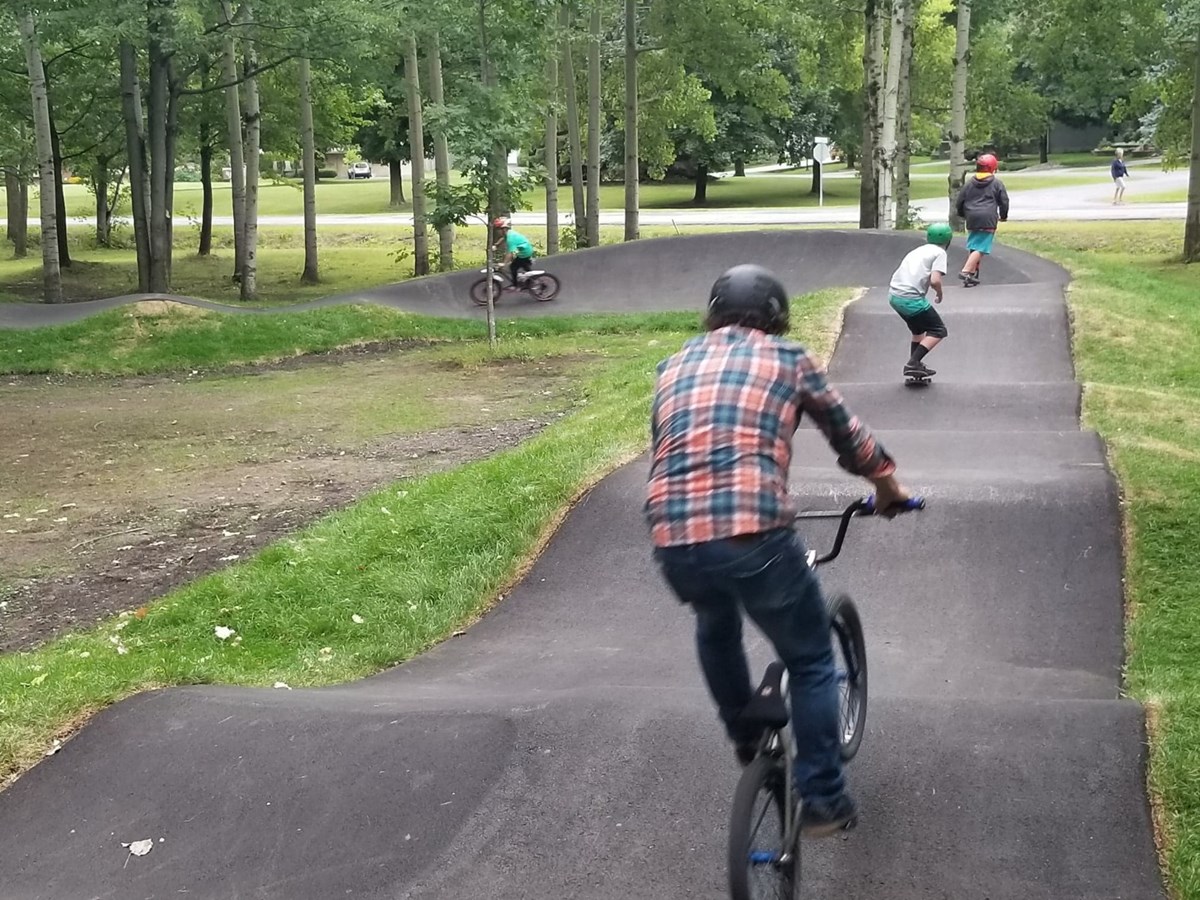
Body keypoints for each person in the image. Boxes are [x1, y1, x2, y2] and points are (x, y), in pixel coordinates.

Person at [645, 264, 911, 837]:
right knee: (812, 659)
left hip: (672, 534)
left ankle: (745, 736)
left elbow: (667, 444)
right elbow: (850, 437)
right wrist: (888, 488)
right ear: (776, 317)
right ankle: (823, 799)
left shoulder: (672, 366)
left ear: (712, 314)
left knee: (715, 621)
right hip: (755, 532)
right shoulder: (789, 359)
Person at [889, 222, 953, 380]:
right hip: (910, 298)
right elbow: (935, 280)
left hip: (894, 295)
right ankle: (913, 363)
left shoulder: (919, 250)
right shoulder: (940, 253)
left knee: (918, 331)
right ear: (948, 240)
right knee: (938, 330)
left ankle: (915, 365)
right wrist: (939, 293)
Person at [954, 153, 1009, 287]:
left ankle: (971, 274)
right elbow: (1004, 201)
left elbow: (960, 201)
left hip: (972, 217)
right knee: (981, 247)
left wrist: (962, 214)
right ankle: (966, 271)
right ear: (993, 168)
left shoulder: (969, 183)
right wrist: (1003, 215)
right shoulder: (996, 183)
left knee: (974, 244)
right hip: (987, 217)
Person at [492, 216, 536, 287]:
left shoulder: (511, 239)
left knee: (513, 267)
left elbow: (510, 254)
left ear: (504, 229)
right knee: (523, 266)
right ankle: (530, 280)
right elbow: (503, 238)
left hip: (524, 253)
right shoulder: (508, 233)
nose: (497, 231)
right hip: (524, 250)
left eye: (498, 229)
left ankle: (516, 285)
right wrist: (496, 245)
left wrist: (503, 263)